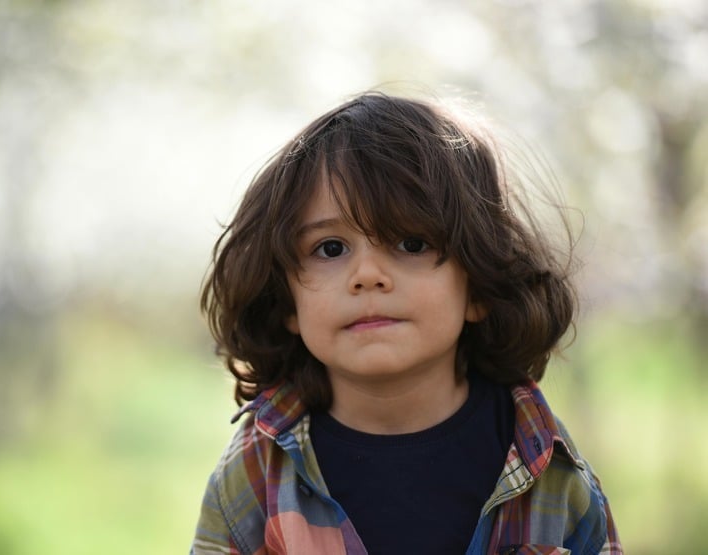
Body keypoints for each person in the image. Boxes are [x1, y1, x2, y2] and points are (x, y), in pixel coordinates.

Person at [191, 91, 621, 554]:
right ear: (286, 303)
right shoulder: (253, 477)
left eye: (411, 244)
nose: (367, 274)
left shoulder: (550, 467)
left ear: (478, 285)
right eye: (330, 248)